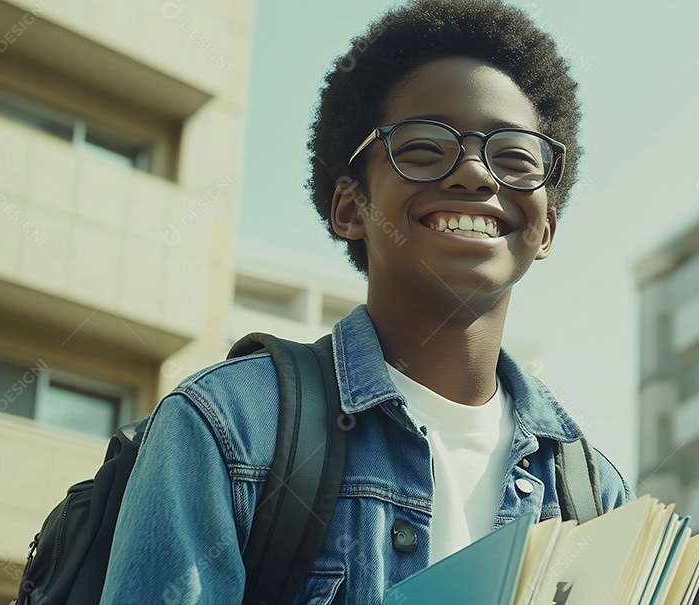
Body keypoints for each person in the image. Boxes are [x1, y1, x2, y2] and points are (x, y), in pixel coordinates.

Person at [101, 1, 634, 603]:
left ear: (545, 230)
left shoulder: (594, 495)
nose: (476, 175)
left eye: (515, 158)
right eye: (426, 147)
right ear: (351, 206)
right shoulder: (230, 428)